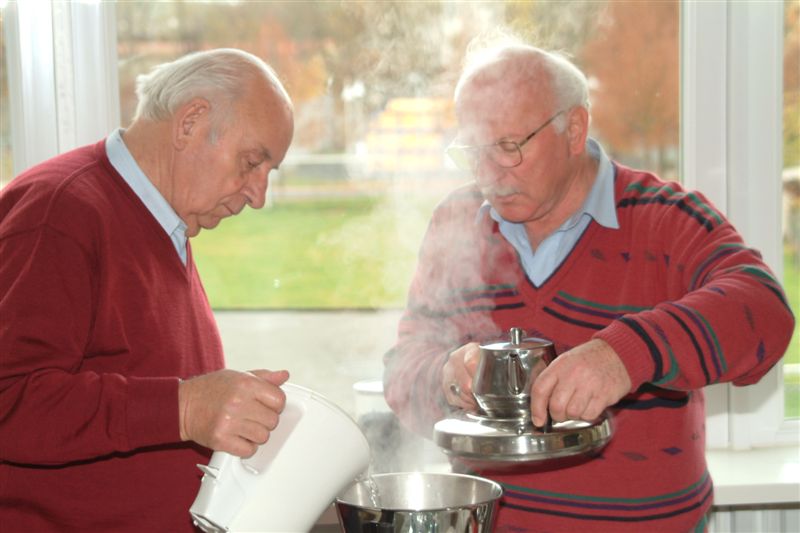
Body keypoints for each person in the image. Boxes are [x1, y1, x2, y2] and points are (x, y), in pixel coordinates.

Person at [383, 38, 795, 532]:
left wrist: (625, 355)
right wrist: (449, 380)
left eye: (509, 147)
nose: (488, 173)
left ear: (573, 129)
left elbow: (764, 312)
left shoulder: (664, 218)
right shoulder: (456, 222)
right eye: (473, 150)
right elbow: (403, 370)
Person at [0, 48, 294, 532]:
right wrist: (185, 407)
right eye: (251, 162)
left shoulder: (164, 222)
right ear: (190, 122)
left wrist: (219, 406)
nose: (258, 196)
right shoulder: (59, 212)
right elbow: (11, 399)